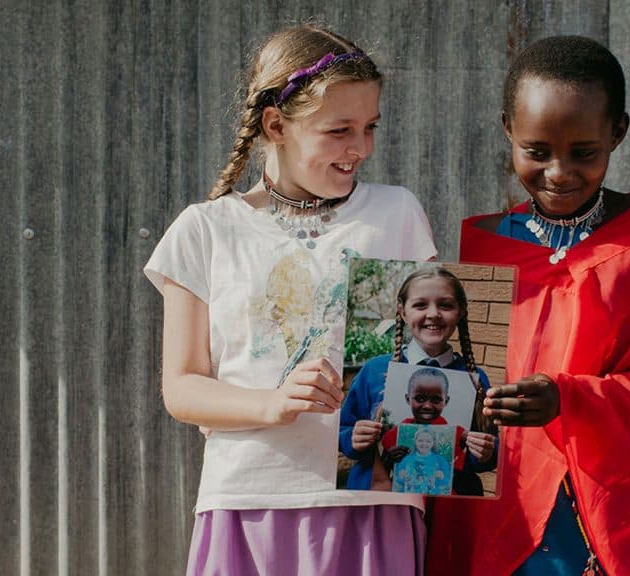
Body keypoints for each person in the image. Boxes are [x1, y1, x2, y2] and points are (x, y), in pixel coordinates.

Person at [144, 24, 437, 575]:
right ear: (276, 125)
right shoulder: (206, 230)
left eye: (370, 126)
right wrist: (272, 405)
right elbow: (181, 388)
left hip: (372, 503)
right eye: (339, 130)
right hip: (250, 503)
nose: (361, 148)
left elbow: (427, 358)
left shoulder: (396, 215)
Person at [426, 35, 630, 576]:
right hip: (495, 504)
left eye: (584, 152)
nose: (559, 172)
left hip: (587, 516)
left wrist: (571, 399)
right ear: (508, 128)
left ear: (618, 133)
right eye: (537, 151)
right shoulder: (487, 248)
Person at [339, 267, 496, 495]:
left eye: (446, 305)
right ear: (402, 312)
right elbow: (343, 428)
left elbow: (492, 446)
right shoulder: (374, 370)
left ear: (461, 312)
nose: (433, 314)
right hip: (378, 498)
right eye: (420, 305)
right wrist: (352, 438)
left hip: (449, 505)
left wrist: (485, 453)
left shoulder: (476, 379)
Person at [393, 427, 453, 495]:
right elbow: (399, 480)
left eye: (428, 441)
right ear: (415, 441)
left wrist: (441, 476)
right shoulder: (406, 459)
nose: (424, 444)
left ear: (433, 442)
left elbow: (446, 481)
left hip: (431, 498)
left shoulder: (440, 460)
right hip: (409, 498)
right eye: (420, 440)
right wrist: (401, 475)